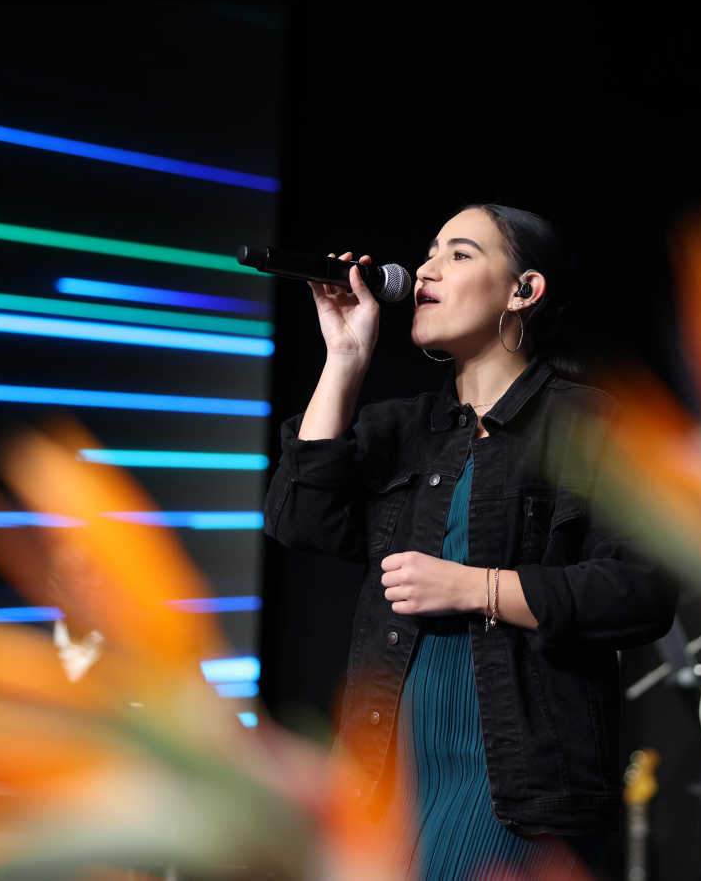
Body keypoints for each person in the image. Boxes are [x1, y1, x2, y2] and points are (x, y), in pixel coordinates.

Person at [263, 204, 676, 880]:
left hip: (521, 787)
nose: (425, 269)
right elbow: (299, 518)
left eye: (458, 254)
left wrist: (475, 588)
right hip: (382, 777)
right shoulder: (402, 428)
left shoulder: (592, 424)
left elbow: (639, 591)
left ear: (523, 290)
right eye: (428, 252)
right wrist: (345, 356)